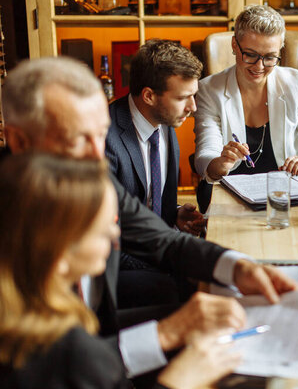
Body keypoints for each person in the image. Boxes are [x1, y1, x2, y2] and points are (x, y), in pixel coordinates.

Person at [1, 56, 298, 379]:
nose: (97, 156)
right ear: (19, 140)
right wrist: (169, 344)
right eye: (76, 138)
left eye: (101, 134)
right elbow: (46, 370)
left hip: (96, 338)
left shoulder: (88, 172)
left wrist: (238, 266)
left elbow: (159, 238)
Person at [0, 153, 240, 388]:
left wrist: (165, 335)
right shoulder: (62, 349)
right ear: (59, 255)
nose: (117, 234)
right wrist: (179, 380)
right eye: (103, 229)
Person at [193, 5, 298, 186]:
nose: (259, 67)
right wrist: (220, 164)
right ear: (234, 44)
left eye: (270, 57)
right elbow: (204, 156)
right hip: (235, 191)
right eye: (250, 54)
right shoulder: (209, 90)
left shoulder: (296, 84)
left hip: (292, 188)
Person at [105, 39, 205, 307]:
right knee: (189, 287)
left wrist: (172, 213)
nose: (192, 107)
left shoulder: (164, 123)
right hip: (115, 262)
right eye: (183, 97)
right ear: (149, 95)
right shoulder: (105, 137)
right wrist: (169, 265)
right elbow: (110, 235)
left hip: (155, 246)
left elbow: (142, 199)